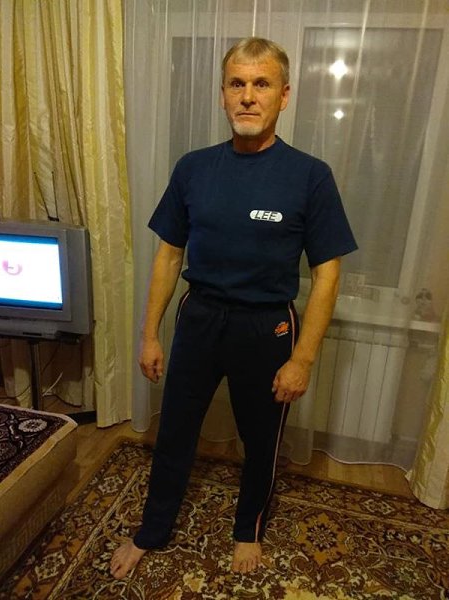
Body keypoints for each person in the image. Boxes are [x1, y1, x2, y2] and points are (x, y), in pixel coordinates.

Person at [111, 36, 357, 579]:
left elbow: (327, 274)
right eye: (237, 84)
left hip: (266, 328)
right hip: (199, 318)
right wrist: (149, 334)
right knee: (174, 432)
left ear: (284, 95)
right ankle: (152, 531)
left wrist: (302, 359)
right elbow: (168, 255)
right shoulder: (193, 168)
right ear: (223, 94)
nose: (248, 96)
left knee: (261, 440)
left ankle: (248, 528)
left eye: (261, 84)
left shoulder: (310, 175)